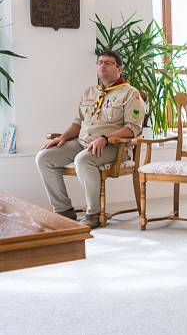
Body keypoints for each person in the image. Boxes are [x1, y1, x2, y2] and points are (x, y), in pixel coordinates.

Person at [35, 51, 145, 228]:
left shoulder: (131, 94)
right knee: (44, 157)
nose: (102, 66)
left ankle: (92, 213)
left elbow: (133, 129)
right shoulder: (90, 92)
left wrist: (105, 138)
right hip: (82, 142)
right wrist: (62, 137)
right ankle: (63, 209)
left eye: (108, 63)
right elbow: (78, 123)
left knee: (83, 159)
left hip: (113, 147)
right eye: (100, 62)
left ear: (119, 68)